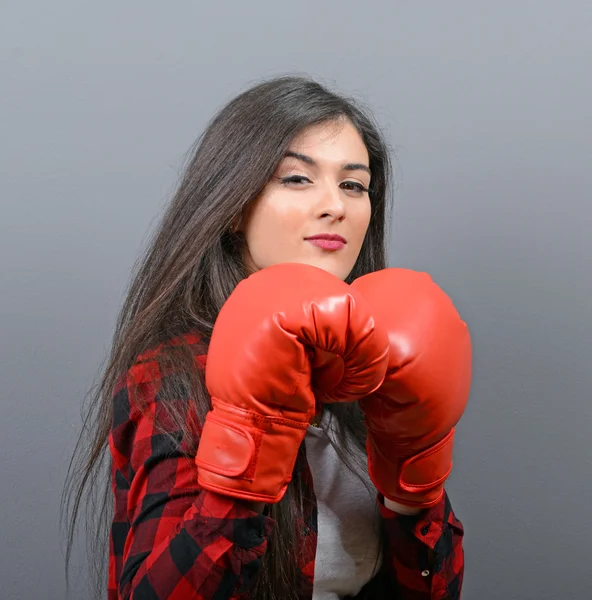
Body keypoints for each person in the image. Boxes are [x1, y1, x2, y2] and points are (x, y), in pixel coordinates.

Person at [63, 75, 472, 600]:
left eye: (353, 184)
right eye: (298, 179)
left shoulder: (375, 367)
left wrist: (416, 479)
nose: (335, 206)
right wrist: (250, 441)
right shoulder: (171, 376)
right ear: (233, 206)